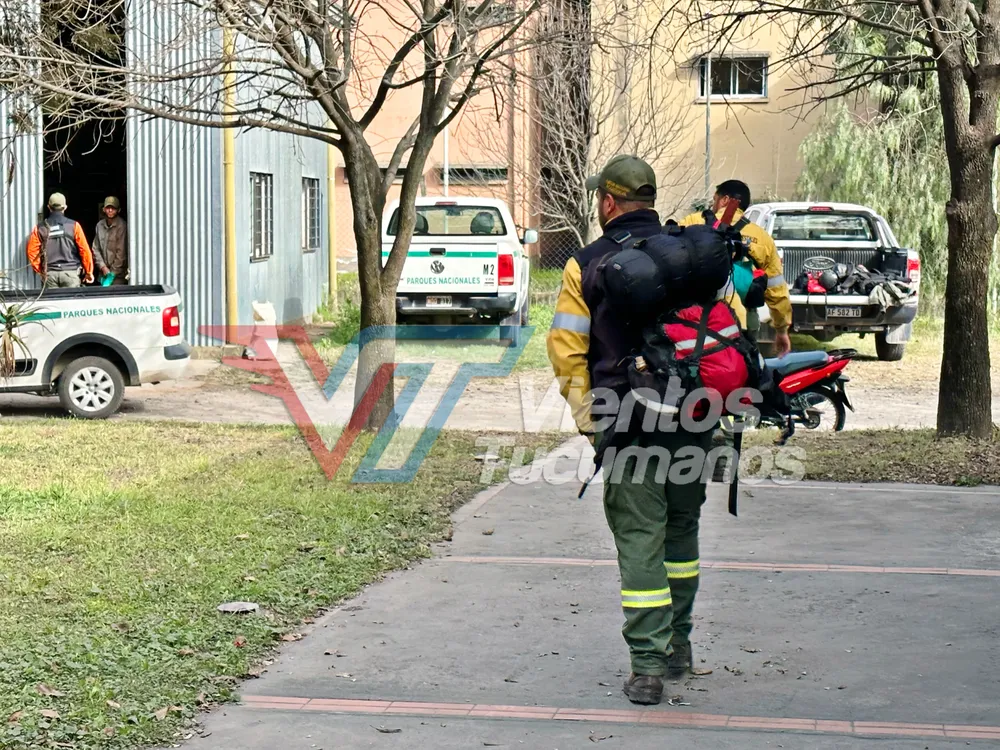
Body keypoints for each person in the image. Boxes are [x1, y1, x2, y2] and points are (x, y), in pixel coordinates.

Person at [547, 155, 717, 705]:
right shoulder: (692, 254)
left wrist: (590, 423)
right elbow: (721, 335)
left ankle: (647, 668)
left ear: (608, 201)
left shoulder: (585, 264)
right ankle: (679, 646)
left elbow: (567, 350)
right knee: (681, 534)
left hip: (628, 421)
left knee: (641, 537)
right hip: (696, 416)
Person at [677, 180, 792, 355]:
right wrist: (781, 329)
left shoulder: (692, 221)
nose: (712, 205)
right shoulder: (761, 237)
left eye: (714, 199)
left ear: (724, 200)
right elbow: (776, 289)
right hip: (742, 320)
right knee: (744, 363)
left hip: (694, 315)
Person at [26, 193, 94, 288]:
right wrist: (89, 272)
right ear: (65, 207)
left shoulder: (39, 228)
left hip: (50, 274)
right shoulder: (74, 226)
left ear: (49, 207)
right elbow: (85, 251)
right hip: (70, 274)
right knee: (71, 298)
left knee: (52, 299)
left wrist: (40, 270)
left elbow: (32, 251)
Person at [92, 196, 129, 285]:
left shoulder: (122, 226)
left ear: (119, 210)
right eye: (108, 208)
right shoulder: (99, 225)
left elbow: (121, 253)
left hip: (118, 276)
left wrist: (112, 273)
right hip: (102, 274)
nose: (110, 210)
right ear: (104, 209)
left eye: (113, 208)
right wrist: (103, 267)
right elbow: (95, 249)